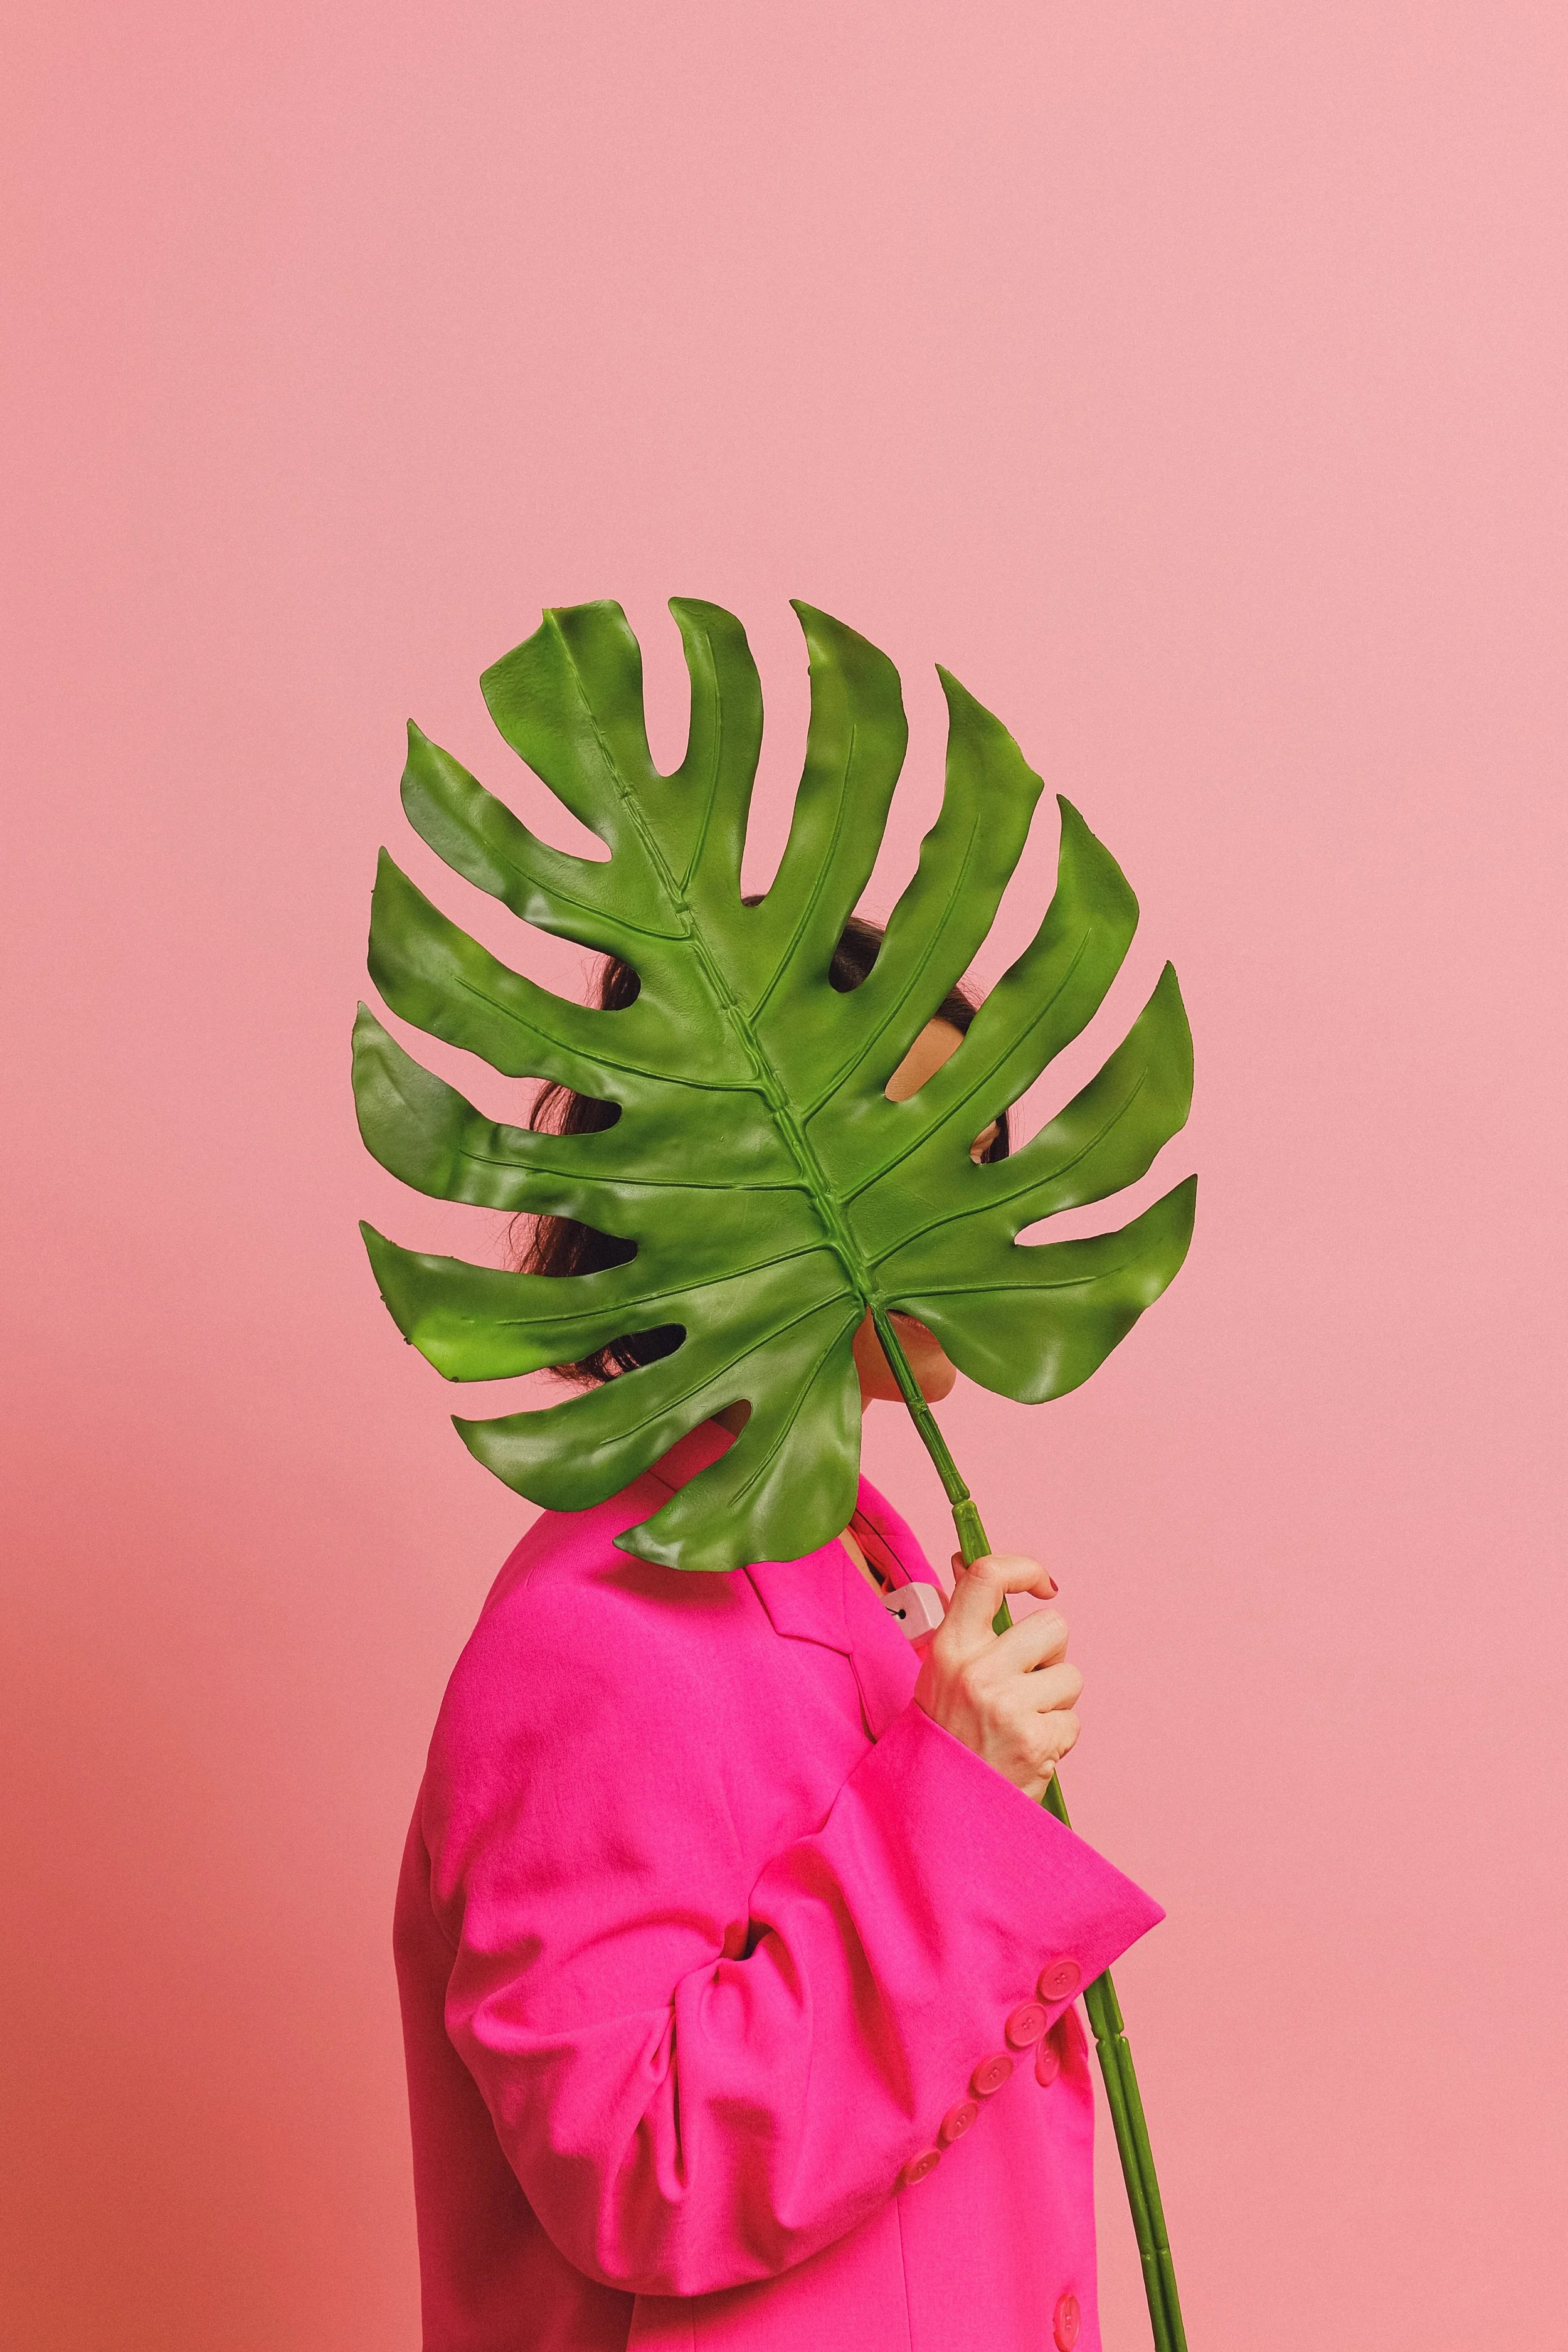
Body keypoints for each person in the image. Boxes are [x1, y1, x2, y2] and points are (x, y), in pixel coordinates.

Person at [393, 914, 1163, 2352]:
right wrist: (957, 1797)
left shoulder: (854, 1572)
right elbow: (643, 2168)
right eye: (930, 1148)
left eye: (990, 1155)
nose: (990, 1215)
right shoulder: (598, 1635)